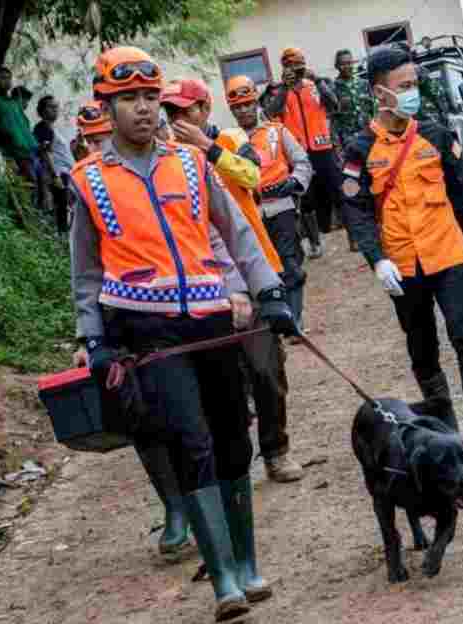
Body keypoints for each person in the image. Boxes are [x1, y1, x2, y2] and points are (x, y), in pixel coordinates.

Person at [69, 46, 296, 621]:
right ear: (107, 105)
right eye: (129, 100)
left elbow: (238, 231)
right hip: (146, 333)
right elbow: (86, 271)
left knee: (231, 438)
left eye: (150, 97)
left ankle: (247, 565)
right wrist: (93, 339)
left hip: (211, 319)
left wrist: (269, 292)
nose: (143, 109)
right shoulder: (87, 181)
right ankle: (223, 581)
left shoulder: (193, 165)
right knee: (188, 442)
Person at [341, 45, 463, 459]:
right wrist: (376, 259)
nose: (413, 92)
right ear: (381, 94)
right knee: (422, 345)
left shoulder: (436, 134)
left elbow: (461, 196)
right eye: (404, 86)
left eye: (414, 84)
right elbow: (355, 210)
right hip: (402, 262)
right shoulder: (360, 148)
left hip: (448, 253)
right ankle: (449, 431)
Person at [162, 77, 306, 484]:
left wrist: (208, 149)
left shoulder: (231, 139)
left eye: (184, 112)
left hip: (252, 265)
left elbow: (251, 176)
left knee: (266, 368)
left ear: (203, 110)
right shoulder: (165, 156)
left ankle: (277, 450)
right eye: (170, 113)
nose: (176, 120)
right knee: (224, 376)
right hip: (202, 279)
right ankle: (234, 460)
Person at [226, 75, 313, 340]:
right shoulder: (228, 140)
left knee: (290, 264)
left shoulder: (277, 131)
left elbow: (302, 161)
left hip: (281, 206)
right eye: (238, 107)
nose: (244, 110)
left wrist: (294, 182)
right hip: (249, 214)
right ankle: (274, 322)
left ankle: (295, 322)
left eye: (248, 104)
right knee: (260, 268)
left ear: (256, 103)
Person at [262, 48, 340, 257]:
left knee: (337, 190)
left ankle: (352, 236)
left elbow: (334, 105)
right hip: (297, 153)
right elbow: (270, 113)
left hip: (322, 147)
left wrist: (317, 80)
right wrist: (285, 88)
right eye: (290, 65)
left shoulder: (316, 85)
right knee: (304, 199)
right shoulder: (278, 91)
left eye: (298, 64)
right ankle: (315, 243)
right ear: (284, 67)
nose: (295, 68)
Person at [0, 67, 39, 181]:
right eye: (2, 78)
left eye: (8, 78)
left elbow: (24, 124)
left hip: (29, 151)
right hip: (13, 152)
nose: (6, 81)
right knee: (28, 184)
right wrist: (4, 139)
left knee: (35, 186)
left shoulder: (14, 102)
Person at [33, 95, 75, 233]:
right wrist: (55, 175)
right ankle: (59, 237)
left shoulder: (53, 128)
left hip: (64, 173)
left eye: (56, 107)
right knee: (60, 208)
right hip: (56, 174)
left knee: (65, 207)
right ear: (42, 110)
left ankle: (62, 236)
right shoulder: (43, 128)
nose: (55, 110)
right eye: (51, 107)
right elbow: (46, 153)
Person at [331, 49, 376, 149]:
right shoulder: (333, 88)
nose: (347, 67)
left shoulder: (364, 84)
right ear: (336, 66)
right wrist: (336, 144)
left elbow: (374, 109)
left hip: (370, 133)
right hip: (349, 138)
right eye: (343, 64)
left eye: (349, 63)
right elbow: (333, 119)